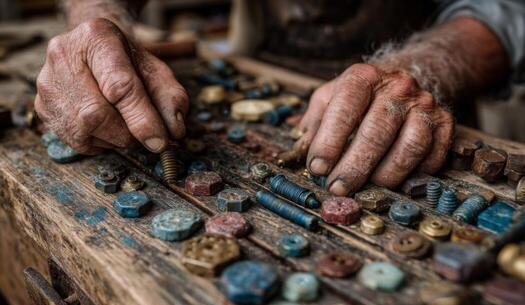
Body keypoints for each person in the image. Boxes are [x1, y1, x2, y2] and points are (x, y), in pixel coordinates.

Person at [35, 0, 525, 196]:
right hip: (262, 54)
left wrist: (420, 68)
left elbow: (504, 9)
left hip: (423, 73)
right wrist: (95, 23)